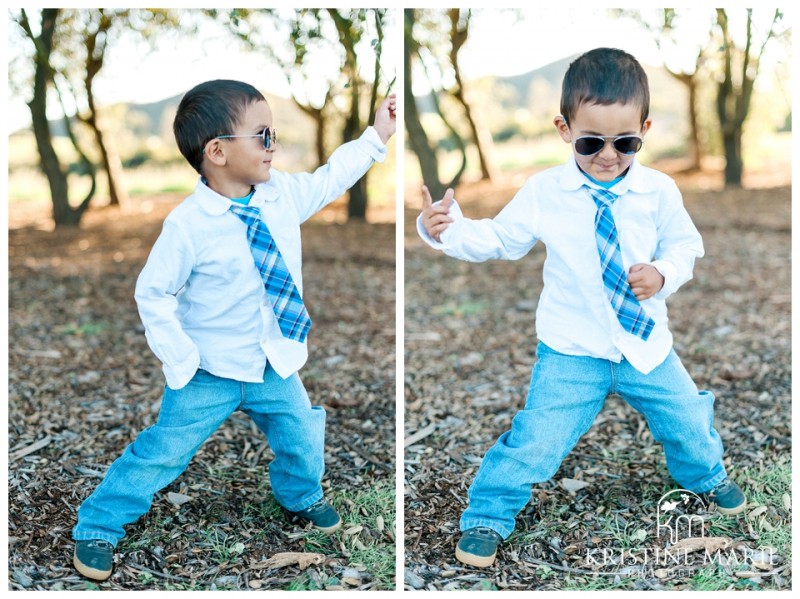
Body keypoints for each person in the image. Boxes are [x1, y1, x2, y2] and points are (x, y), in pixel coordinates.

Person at [418, 48, 745, 568]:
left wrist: (663, 273)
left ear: (645, 129)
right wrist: (449, 230)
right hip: (572, 350)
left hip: (644, 343)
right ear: (565, 129)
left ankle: (707, 477)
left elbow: (687, 246)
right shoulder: (546, 191)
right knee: (535, 439)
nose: (609, 155)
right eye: (592, 141)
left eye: (627, 141)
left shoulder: (659, 190)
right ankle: (488, 515)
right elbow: (501, 239)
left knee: (686, 415)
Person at [72, 79, 396, 581]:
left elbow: (331, 178)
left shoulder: (281, 195)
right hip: (209, 370)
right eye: (263, 135)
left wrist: (376, 136)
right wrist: (180, 357)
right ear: (218, 151)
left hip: (272, 362)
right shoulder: (188, 226)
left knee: (301, 436)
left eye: (274, 134)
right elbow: (152, 293)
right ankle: (99, 524)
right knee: (162, 452)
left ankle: (301, 494)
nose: (274, 145)